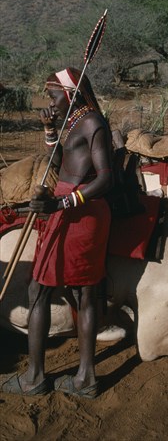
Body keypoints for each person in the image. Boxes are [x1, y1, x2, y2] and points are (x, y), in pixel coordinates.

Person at [1, 67, 113, 398]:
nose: (48, 102)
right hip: (67, 210)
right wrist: (50, 130)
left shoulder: (92, 122)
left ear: (70, 95)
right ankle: (70, 378)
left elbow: (106, 178)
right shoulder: (75, 121)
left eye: (52, 96)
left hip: (81, 215)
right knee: (52, 291)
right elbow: (65, 162)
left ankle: (53, 379)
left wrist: (62, 203)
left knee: (68, 293)